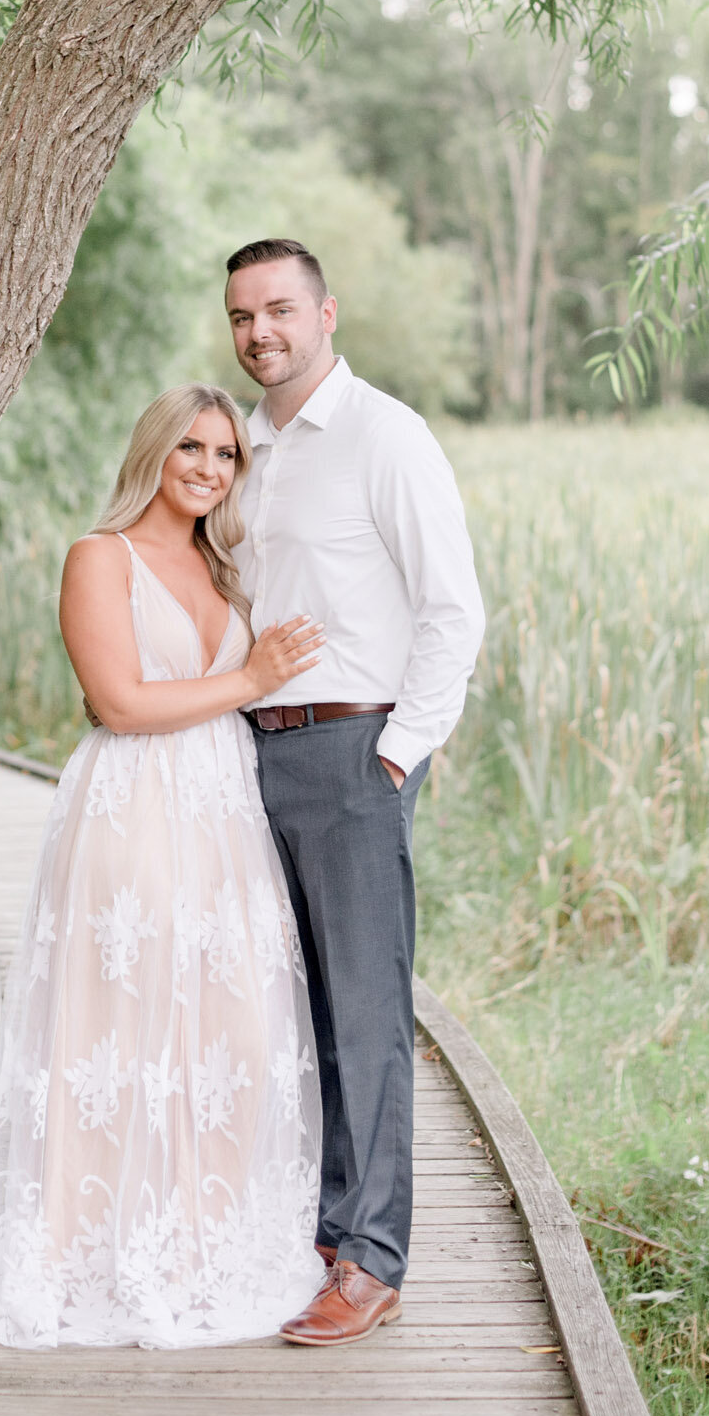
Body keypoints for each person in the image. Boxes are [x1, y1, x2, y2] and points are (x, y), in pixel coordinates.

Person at [0, 384, 328, 1348]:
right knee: (125, 1026)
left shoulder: (225, 568)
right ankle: (90, 1246)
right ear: (154, 451)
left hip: (224, 811)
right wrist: (252, 679)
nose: (207, 467)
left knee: (228, 1026)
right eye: (190, 447)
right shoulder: (97, 559)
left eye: (227, 454)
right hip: (133, 807)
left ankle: (201, 1241)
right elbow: (117, 701)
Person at [225, 238, 486, 1346]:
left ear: (327, 312)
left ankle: (372, 1261)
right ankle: (326, 1231)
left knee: (367, 1019)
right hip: (249, 753)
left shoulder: (387, 437)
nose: (260, 332)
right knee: (294, 1010)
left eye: (280, 308)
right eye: (241, 316)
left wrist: (398, 753)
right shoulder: (244, 446)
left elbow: (452, 609)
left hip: (351, 752)